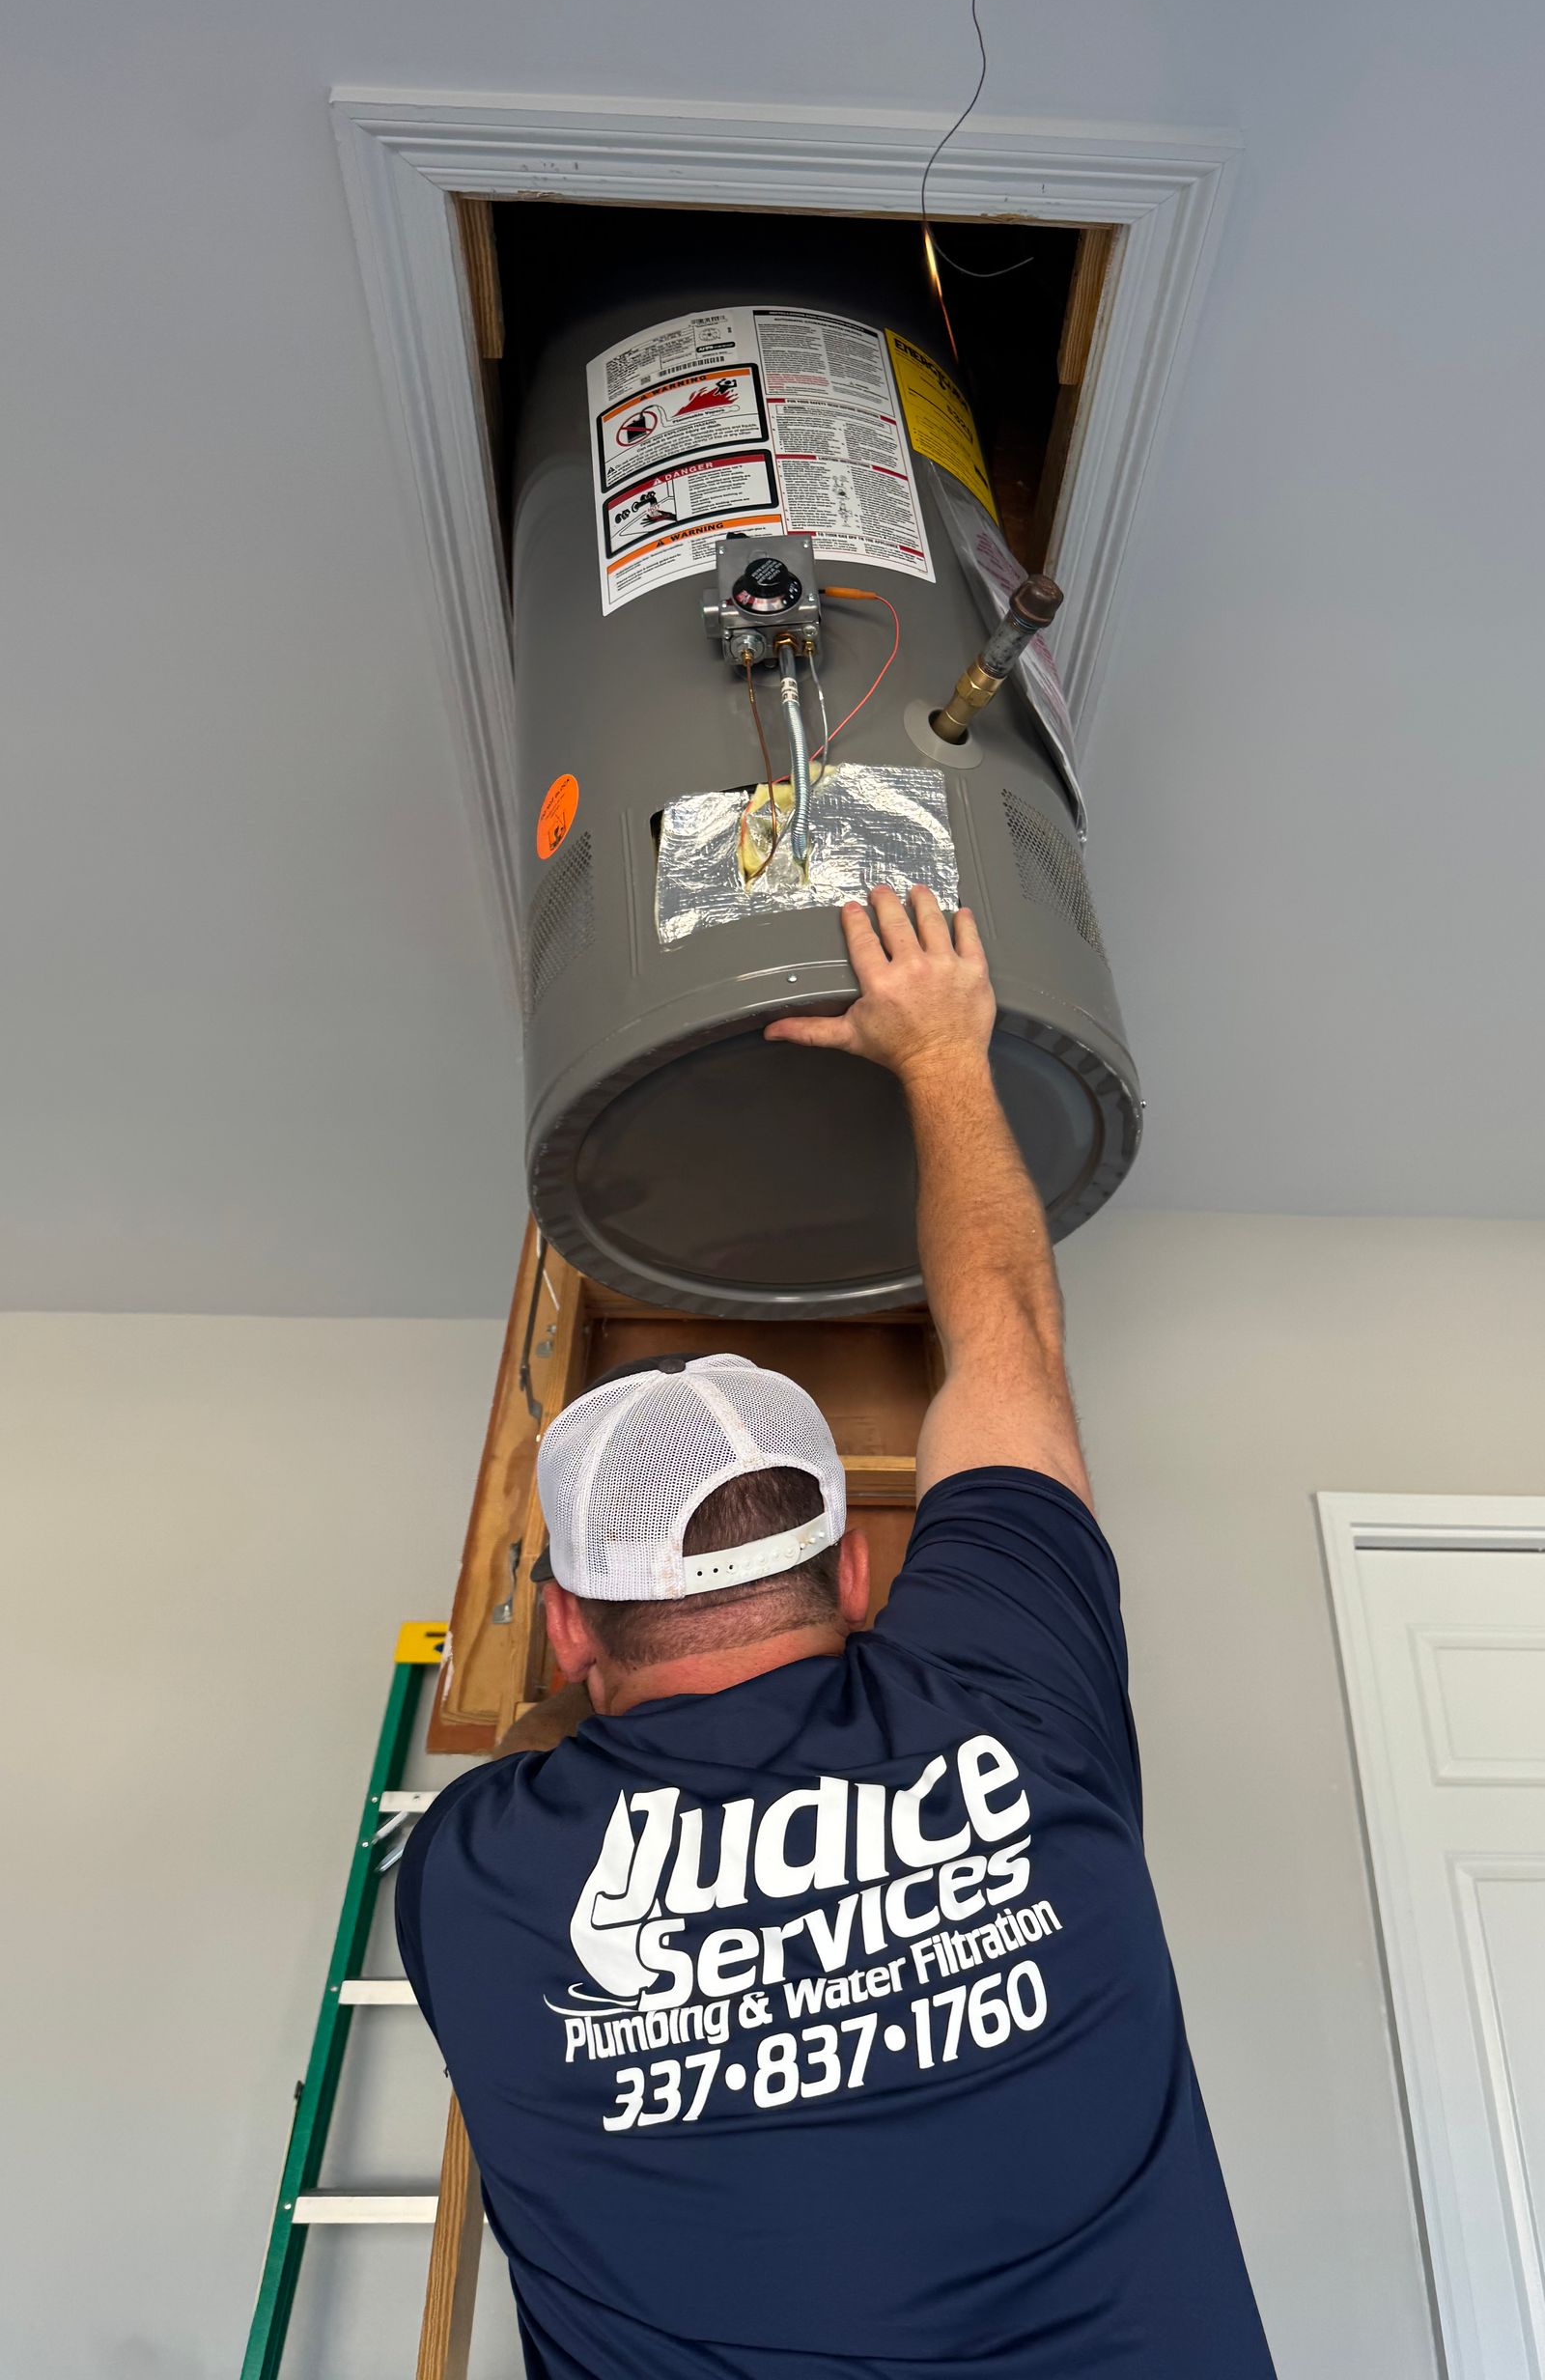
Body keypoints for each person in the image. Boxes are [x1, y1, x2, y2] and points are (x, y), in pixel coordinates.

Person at [396, 886, 1276, 2378]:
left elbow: (560, 1728)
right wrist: (941, 1047)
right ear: (860, 1570)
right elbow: (1007, 1331)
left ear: (562, 1621)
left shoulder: (473, 1869)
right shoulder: (1014, 1698)